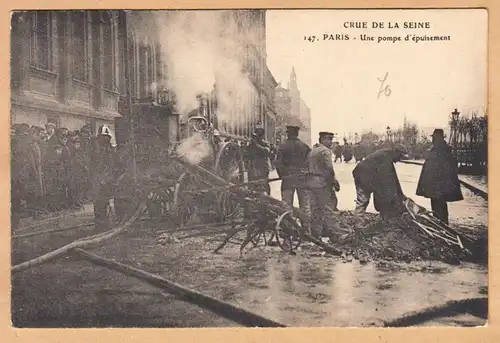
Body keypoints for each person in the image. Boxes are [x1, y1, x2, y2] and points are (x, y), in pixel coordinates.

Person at [416, 129, 463, 224]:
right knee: (437, 204)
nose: (433, 139)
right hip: (436, 185)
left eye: (434, 137)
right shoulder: (439, 148)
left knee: (439, 205)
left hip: (439, 185)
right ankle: (440, 222)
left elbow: (447, 167)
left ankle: (442, 224)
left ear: (438, 138)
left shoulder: (442, 149)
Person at [352, 144, 408, 219]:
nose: (399, 159)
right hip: (363, 177)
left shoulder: (388, 155)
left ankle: (360, 220)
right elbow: (387, 180)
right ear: (396, 153)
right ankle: (357, 222)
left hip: (368, 177)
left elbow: (394, 179)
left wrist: (401, 195)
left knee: (375, 197)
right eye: (400, 157)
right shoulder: (385, 158)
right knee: (363, 200)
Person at [275, 125, 311, 232]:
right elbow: (309, 163)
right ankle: (306, 230)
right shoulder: (304, 146)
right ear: (297, 133)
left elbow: (278, 164)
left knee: (287, 205)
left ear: (288, 133)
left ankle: (289, 230)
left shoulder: (283, 146)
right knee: (305, 205)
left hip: (288, 180)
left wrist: (282, 175)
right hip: (302, 179)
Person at [307, 131, 340, 238]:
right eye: (329, 139)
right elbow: (329, 169)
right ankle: (337, 234)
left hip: (311, 183)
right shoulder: (325, 151)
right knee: (329, 208)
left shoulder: (313, 151)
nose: (330, 142)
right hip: (322, 183)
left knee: (315, 210)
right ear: (322, 139)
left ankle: (316, 234)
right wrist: (334, 182)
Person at [90, 125, 117, 229]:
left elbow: (112, 163)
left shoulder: (109, 148)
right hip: (98, 179)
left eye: (107, 137)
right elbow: (93, 165)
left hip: (107, 178)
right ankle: (99, 223)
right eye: (103, 137)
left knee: (104, 201)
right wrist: (99, 178)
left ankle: (103, 222)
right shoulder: (95, 148)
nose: (105, 139)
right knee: (98, 202)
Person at [247, 126, 271, 195]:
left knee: (263, 186)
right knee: (252, 186)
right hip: (253, 167)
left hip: (262, 168)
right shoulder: (252, 144)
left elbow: (266, 151)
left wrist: (256, 144)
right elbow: (246, 154)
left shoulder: (265, 144)